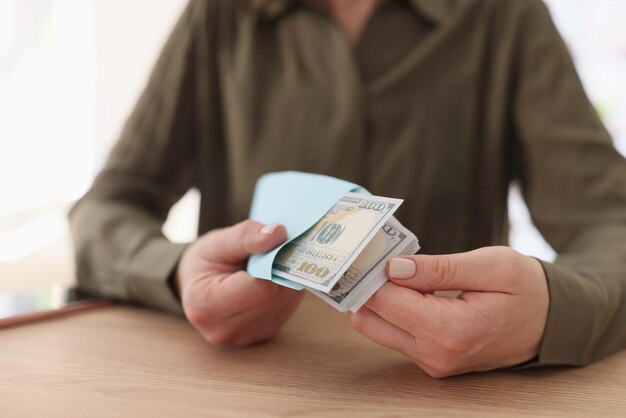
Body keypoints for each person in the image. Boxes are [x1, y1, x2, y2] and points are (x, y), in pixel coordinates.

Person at [69, 0, 626, 377]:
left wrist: (554, 311)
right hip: (247, 389)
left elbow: (611, 221)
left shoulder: (505, 16)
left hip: (447, 402)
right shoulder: (222, 13)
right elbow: (109, 205)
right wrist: (177, 269)